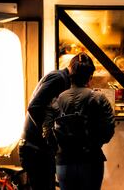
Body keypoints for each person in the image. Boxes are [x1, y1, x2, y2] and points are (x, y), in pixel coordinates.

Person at [46, 52, 115, 190]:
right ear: (90, 76)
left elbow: (47, 130)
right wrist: (95, 143)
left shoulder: (57, 99)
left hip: (64, 161)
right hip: (91, 160)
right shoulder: (99, 98)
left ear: (70, 75)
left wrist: (58, 147)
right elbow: (109, 130)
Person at [19, 53, 83, 190]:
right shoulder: (58, 79)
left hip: (38, 148)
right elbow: (34, 107)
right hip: (36, 148)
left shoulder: (63, 80)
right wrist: (49, 135)